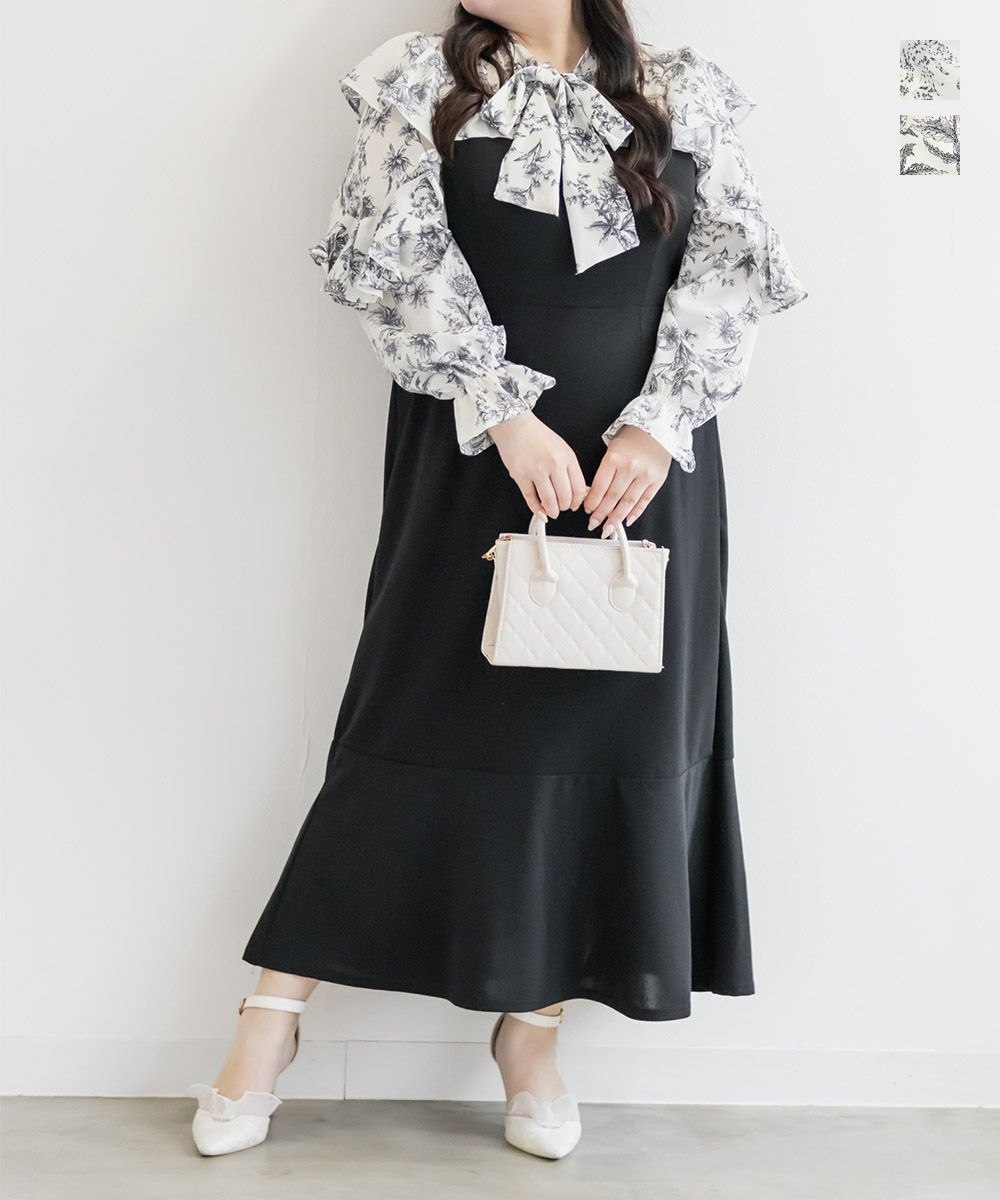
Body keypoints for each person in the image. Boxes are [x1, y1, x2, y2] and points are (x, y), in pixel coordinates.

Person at [186, 0, 807, 1161]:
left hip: (645, 470)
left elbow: (731, 265)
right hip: (476, 452)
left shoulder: (683, 85)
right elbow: (398, 260)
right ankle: (270, 1021)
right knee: (412, 720)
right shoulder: (416, 79)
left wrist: (657, 427)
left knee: (599, 738)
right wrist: (502, 411)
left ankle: (531, 1038)